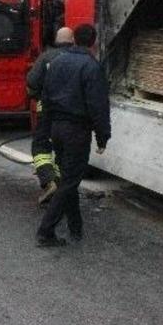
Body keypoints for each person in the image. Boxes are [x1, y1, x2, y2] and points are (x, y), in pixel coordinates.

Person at [36, 24, 111, 247]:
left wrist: (46, 128)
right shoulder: (91, 66)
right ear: (94, 43)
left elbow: (46, 97)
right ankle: (46, 230)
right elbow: (98, 105)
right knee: (69, 182)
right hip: (77, 131)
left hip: (57, 129)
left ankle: (75, 227)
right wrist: (103, 136)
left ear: (75, 40)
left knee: (68, 178)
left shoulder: (56, 62)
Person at [26, 27, 74, 206]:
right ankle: (61, 185)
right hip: (71, 114)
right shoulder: (81, 58)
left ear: (56, 40)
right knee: (63, 150)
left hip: (46, 109)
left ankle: (48, 180)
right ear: (73, 41)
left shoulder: (47, 57)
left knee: (40, 145)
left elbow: (31, 82)